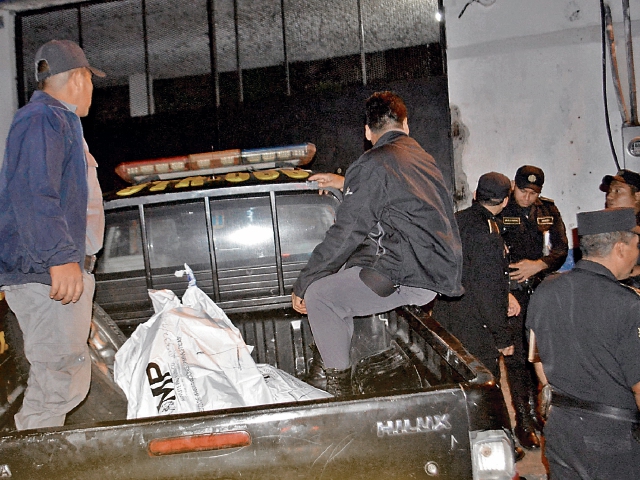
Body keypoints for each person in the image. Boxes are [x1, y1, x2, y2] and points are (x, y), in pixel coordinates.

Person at [291, 91, 463, 397]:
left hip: (404, 276)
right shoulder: (422, 159)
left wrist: (304, 282)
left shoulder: (372, 163)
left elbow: (346, 234)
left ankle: (337, 392)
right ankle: (327, 367)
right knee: (341, 275)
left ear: (368, 132)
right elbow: (399, 198)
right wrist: (345, 183)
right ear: (405, 124)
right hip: (435, 271)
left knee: (320, 295)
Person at [0, 39, 105, 430]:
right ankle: (30, 467)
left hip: (56, 271)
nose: (93, 90)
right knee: (57, 382)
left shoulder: (56, 121)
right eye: (91, 80)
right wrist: (60, 259)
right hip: (47, 270)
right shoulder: (42, 119)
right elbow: (33, 192)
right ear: (78, 78)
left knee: (61, 379)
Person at [527, 207, 640, 479]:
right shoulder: (628, 304)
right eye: (637, 245)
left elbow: (540, 366)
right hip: (613, 437)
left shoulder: (545, 290)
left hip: (561, 429)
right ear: (621, 248)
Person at [498, 165, 568, 449]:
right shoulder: (501, 210)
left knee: (538, 356)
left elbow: (561, 249)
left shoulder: (547, 210)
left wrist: (539, 264)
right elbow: (490, 253)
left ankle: (539, 412)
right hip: (513, 294)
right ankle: (523, 421)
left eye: (533, 192)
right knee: (515, 359)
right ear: (513, 186)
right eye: (523, 191)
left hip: (541, 292)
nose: (527, 197)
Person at [433, 172, 519, 378]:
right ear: (505, 201)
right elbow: (486, 291)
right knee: (482, 392)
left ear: (475, 194)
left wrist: (504, 293)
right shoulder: (488, 233)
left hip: (445, 317)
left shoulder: (456, 220)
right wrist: (502, 337)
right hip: (474, 329)